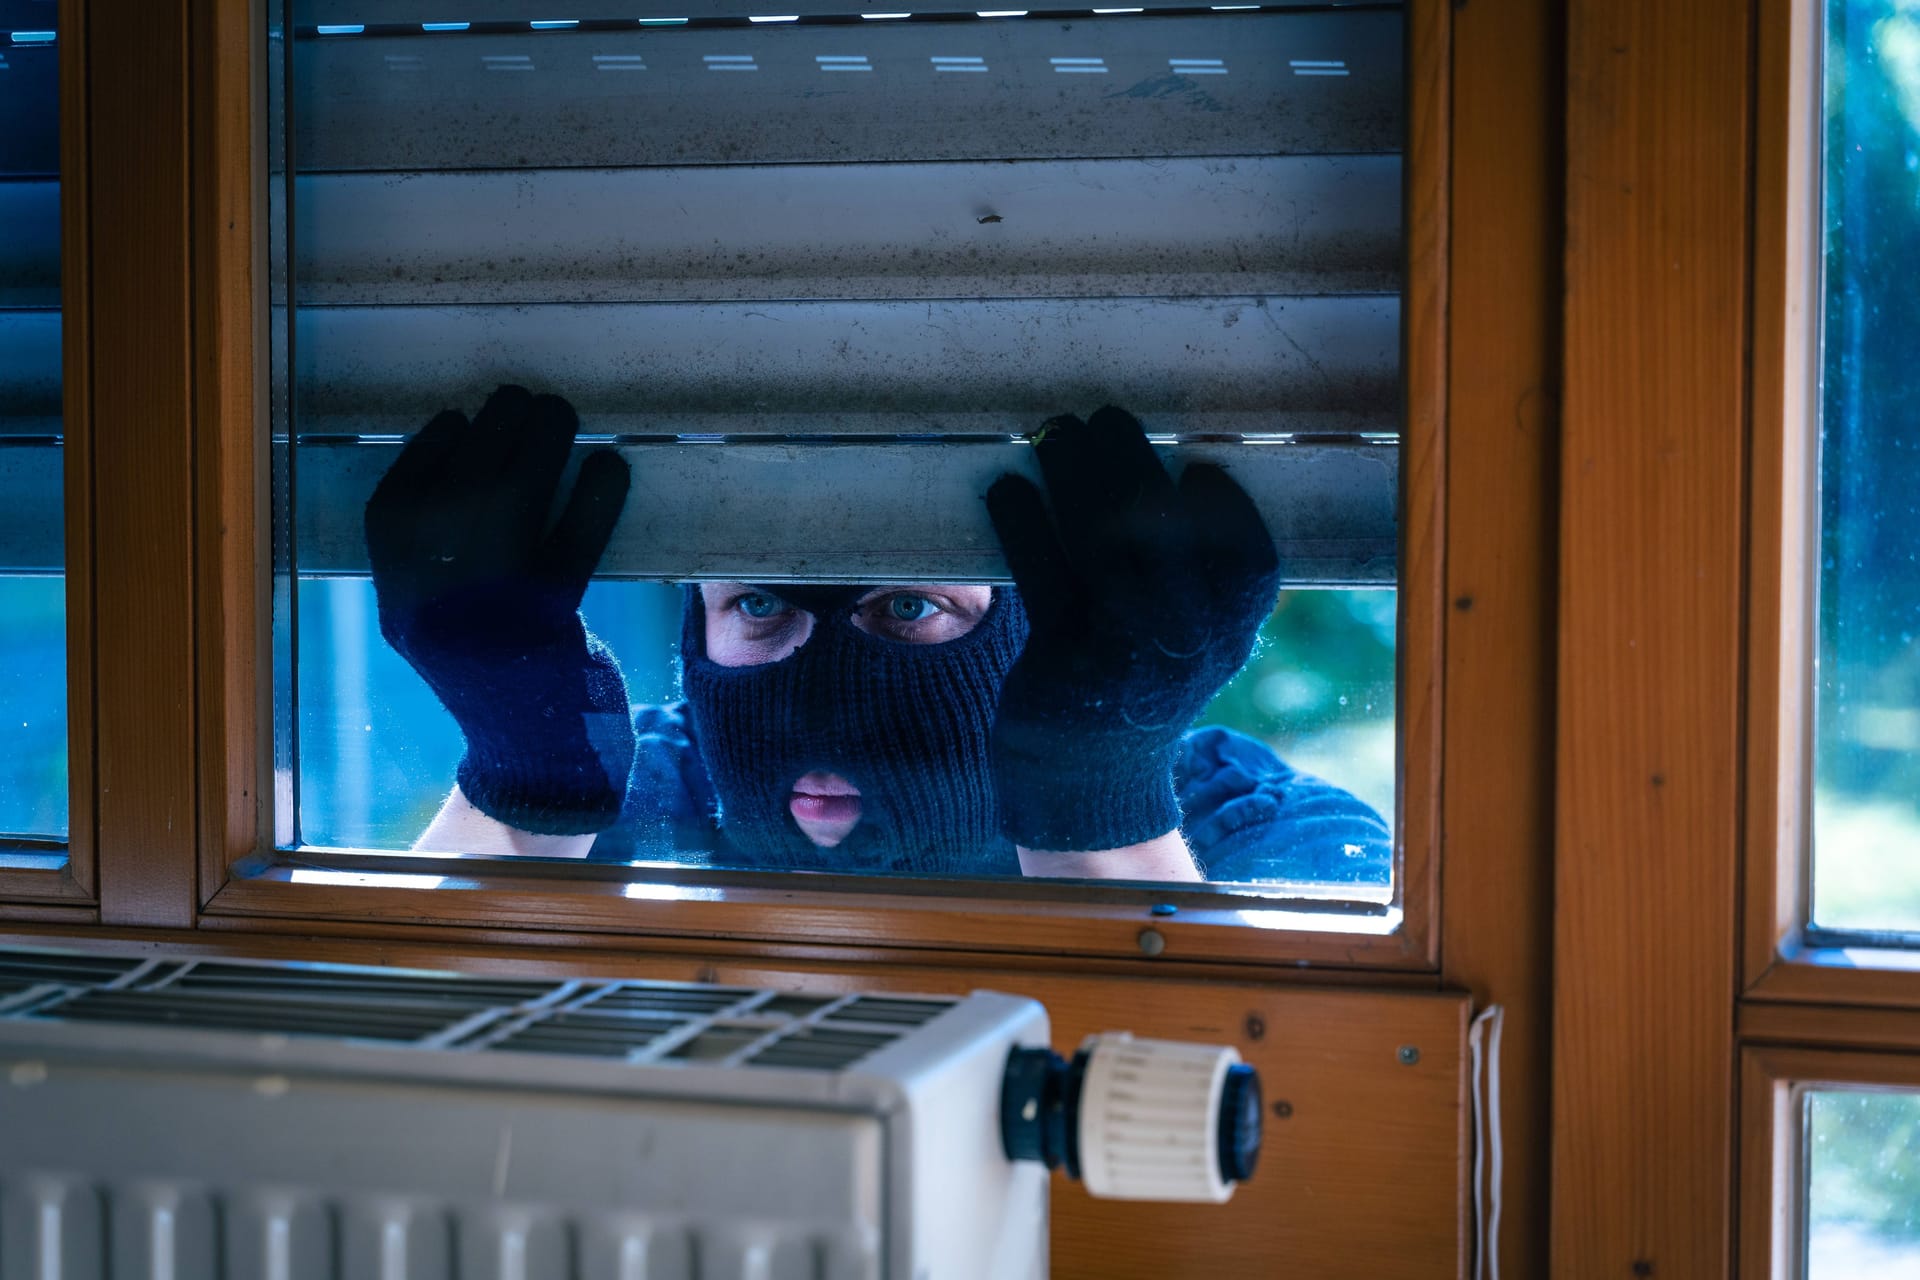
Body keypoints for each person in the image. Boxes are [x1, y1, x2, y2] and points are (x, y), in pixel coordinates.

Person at [365, 385, 1390, 884]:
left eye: (907, 605)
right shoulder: (633, 794)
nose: (822, 689)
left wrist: (1098, 798)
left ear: (1036, 623)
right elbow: (374, 1065)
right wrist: (524, 788)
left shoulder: (1254, 831)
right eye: (759, 604)